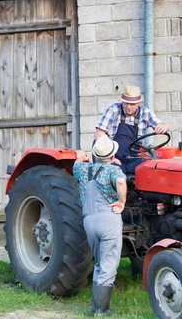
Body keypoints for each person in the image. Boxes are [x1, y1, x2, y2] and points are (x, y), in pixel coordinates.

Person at [73, 135, 127, 316]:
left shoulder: (82, 169)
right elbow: (120, 182)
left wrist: (82, 156)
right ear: (112, 157)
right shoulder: (114, 171)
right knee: (109, 263)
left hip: (89, 221)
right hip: (108, 220)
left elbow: (77, 162)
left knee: (99, 262)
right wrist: (121, 201)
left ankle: (96, 307)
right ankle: (102, 311)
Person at [95, 85, 169, 175]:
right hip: (114, 158)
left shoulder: (145, 113)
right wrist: (109, 157)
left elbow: (159, 124)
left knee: (151, 170)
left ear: (139, 103)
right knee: (117, 175)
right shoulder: (114, 110)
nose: (129, 107)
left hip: (133, 158)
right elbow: (99, 134)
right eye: (126, 103)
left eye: (132, 104)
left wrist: (163, 126)